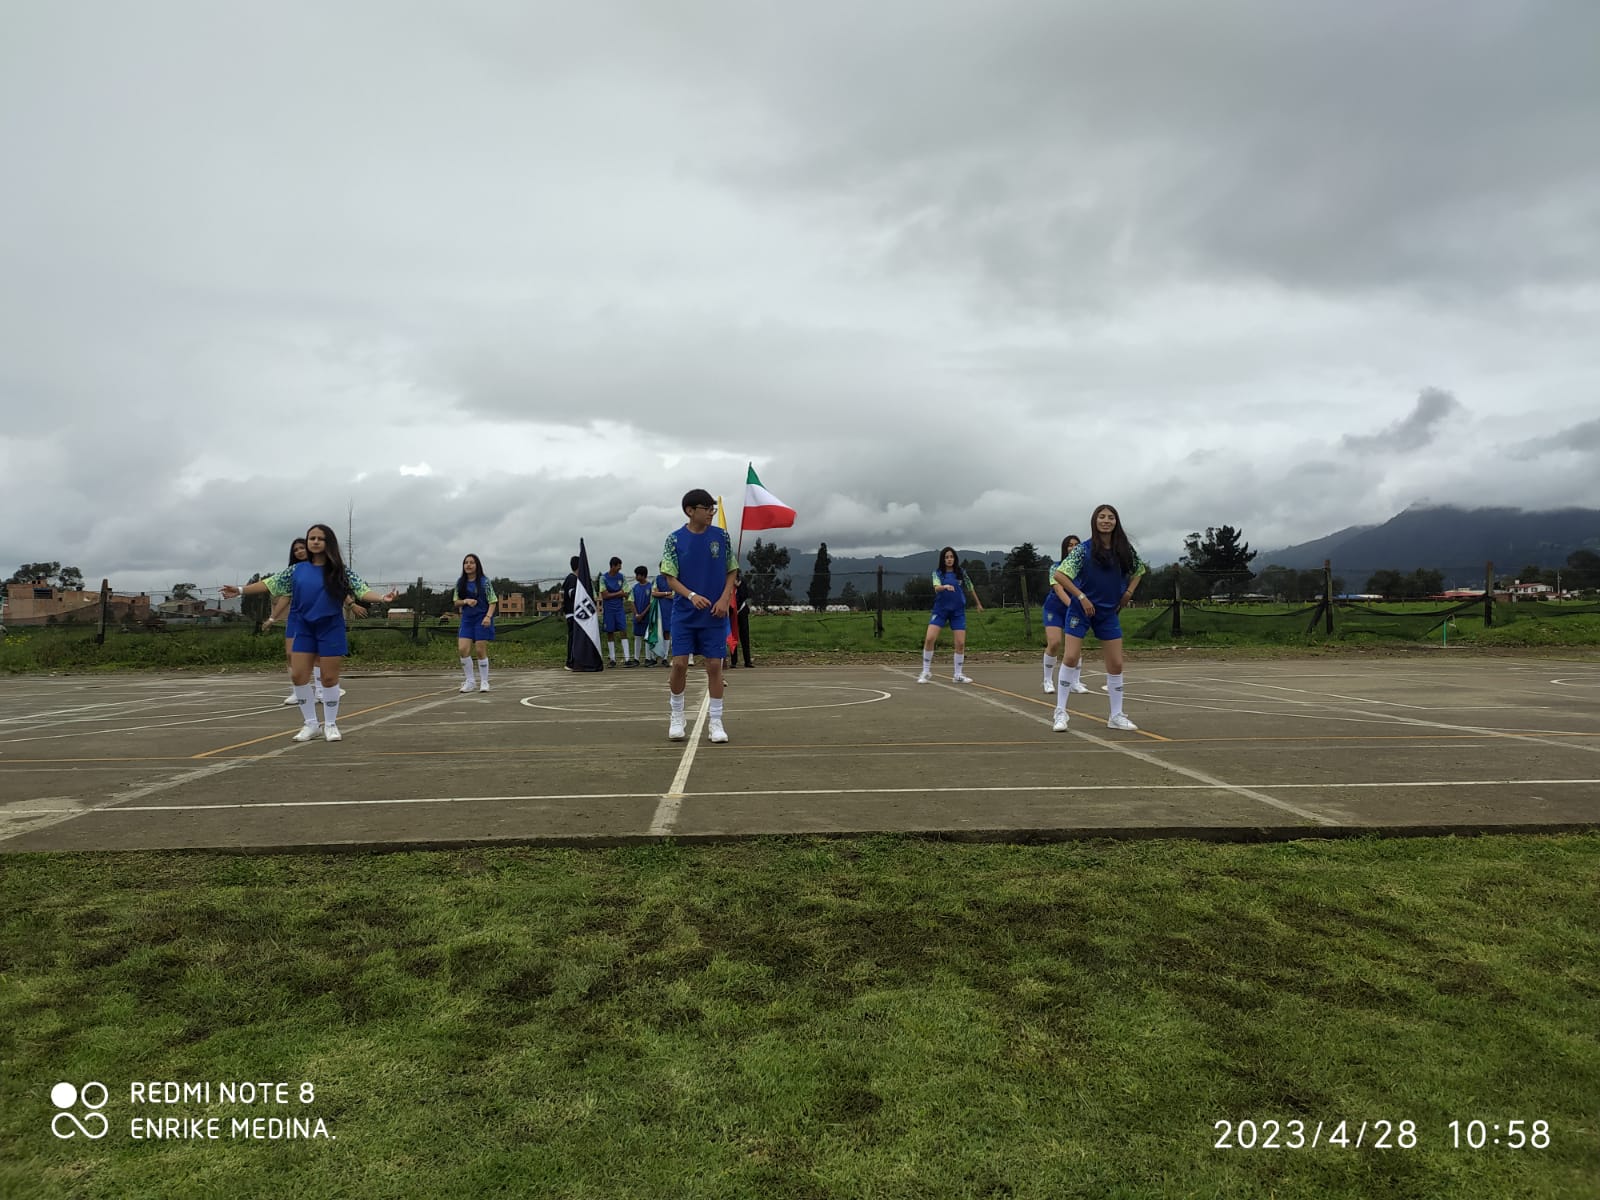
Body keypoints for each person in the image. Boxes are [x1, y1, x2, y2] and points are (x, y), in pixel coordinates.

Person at [224, 524, 397, 743]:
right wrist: (240, 590)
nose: (314, 542)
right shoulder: (296, 570)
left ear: (328, 542)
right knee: (298, 676)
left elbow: (362, 590)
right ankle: (311, 724)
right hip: (304, 627)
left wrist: (382, 598)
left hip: (330, 627)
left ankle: (331, 724)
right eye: (311, 538)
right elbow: (269, 584)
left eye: (319, 538)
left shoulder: (340, 571)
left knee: (329, 678)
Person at [1052, 504, 1147, 733]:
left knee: (1116, 664)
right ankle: (1060, 712)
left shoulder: (1124, 549)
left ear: (1116, 521)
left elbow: (1140, 570)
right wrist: (1081, 596)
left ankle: (1116, 715)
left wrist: (1128, 592)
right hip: (1081, 611)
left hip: (1108, 612)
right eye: (1102, 517)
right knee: (1071, 657)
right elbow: (1060, 575)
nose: (1106, 521)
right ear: (1095, 521)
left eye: (1110, 517)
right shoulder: (1083, 550)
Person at [662, 489, 738, 743]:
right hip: (684, 614)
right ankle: (677, 715)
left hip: (714, 614)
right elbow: (670, 577)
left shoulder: (721, 537)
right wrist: (691, 595)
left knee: (715, 665)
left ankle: (716, 722)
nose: (711, 513)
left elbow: (731, 570)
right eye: (707, 509)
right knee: (680, 664)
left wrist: (725, 598)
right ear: (690, 511)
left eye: (712, 509)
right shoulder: (674, 540)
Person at [918, 547, 983, 683]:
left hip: (958, 611)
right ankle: (925, 671)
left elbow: (970, 587)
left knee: (960, 643)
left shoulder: (961, 573)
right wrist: (945, 587)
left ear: (955, 559)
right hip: (940, 610)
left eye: (951, 557)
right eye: (946, 557)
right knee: (929, 638)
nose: (949, 559)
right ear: (943, 559)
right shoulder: (937, 573)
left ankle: (958, 674)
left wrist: (978, 603)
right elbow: (936, 587)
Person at [1041, 534, 1090, 695]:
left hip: (1074, 611)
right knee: (1054, 643)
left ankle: (1075, 682)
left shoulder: (1084, 570)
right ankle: (1047, 680)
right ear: (1065, 548)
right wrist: (1074, 606)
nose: (1073, 547)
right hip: (1055, 610)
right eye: (1070, 545)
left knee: (1075, 647)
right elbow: (1059, 589)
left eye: (1076, 545)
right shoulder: (1056, 567)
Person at [454, 554, 497, 693]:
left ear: (477, 565)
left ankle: (484, 681)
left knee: (480, 650)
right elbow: (456, 602)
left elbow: (493, 601)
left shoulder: (485, 582)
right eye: (466, 562)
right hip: (467, 619)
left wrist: (488, 616)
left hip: (482, 618)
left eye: (471, 562)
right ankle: (470, 681)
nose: (468, 565)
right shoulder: (460, 582)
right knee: (463, 649)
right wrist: (465, 601)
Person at [600, 556, 633, 667]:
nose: (620, 568)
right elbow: (604, 595)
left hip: (619, 608)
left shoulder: (622, 577)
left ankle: (627, 659)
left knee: (623, 631)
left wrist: (613, 594)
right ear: (613, 566)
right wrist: (619, 593)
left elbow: (626, 593)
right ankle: (612, 659)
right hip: (608, 609)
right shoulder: (603, 578)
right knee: (610, 632)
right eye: (618, 566)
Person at [630, 565, 657, 666]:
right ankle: (636, 659)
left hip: (647, 616)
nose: (636, 577)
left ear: (643, 575)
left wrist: (643, 614)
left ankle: (648, 658)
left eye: (637, 575)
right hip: (637, 617)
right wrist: (637, 614)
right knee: (637, 636)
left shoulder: (650, 587)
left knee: (647, 637)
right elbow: (631, 601)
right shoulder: (634, 588)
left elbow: (651, 603)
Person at [726, 569, 754, 668]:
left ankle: (747, 661)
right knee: (733, 636)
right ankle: (734, 661)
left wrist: (738, 586)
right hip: (732, 612)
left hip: (742, 610)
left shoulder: (742, 583)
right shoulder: (727, 584)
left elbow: (745, 595)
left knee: (745, 636)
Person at [561, 555, 581, 670]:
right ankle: (570, 662)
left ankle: (574, 661)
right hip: (572, 613)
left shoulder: (574, 578)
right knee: (573, 638)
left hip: (575, 613)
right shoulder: (572, 579)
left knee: (575, 638)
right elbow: (571, 593)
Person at [651, 569, 675, 662]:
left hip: (671, 608)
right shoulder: (657, 579)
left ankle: (665, 656)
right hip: (659, 608)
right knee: (659, 630)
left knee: (668, 632)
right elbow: (654, 593)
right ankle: (655, 656)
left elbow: (674, 595)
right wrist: (666, 593)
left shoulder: (674, 579)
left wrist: (660, 594)